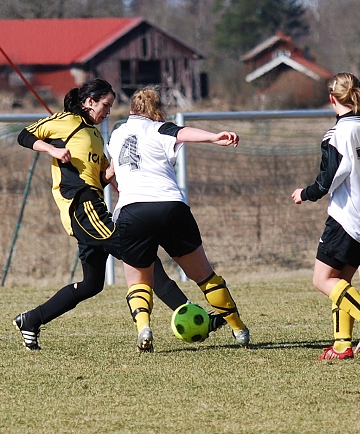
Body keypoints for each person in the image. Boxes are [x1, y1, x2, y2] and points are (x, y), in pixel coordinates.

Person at [12, 79, 223, 351]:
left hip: (93, 206)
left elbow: (100, 177)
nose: (108, 112)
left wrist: (115, 170)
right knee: (140, 255)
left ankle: (30, 320)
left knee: (91, 284)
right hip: (82, 205)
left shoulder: (96, 135)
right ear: (89, 102)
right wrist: (52, 149)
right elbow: (24, 135)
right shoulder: (64, 121)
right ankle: (191, 313)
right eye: (106, 105)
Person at [108, 87, 250, 353]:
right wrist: (214, 137)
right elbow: (182, 132)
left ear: (131, 110)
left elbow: (110, 171)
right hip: (170, 207)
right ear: (157, 110)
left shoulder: (116, 135)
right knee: (205, 276)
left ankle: (144, 328)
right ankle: (239, 329)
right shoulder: (159, 128)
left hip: (133, 212)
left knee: (138, 281)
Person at [291, 72, 360, 360]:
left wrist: (304, 193)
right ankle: (341, 345)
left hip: (348, 218)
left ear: (332, 98)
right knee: (341, 283)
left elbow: (327, 181)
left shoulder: (338, 134)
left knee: (322, 279)